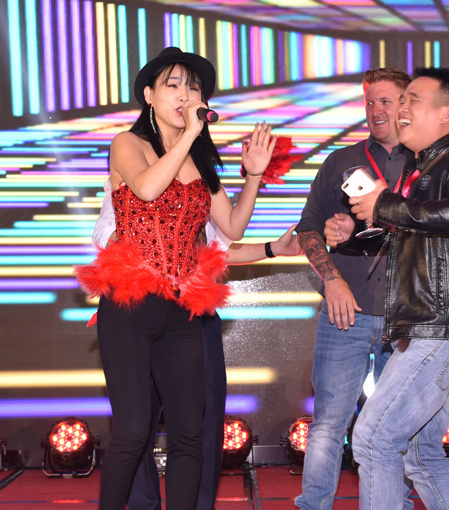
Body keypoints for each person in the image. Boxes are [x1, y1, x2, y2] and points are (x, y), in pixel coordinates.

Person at [74, 46, 275, 509]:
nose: (185, 94)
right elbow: (147, 188)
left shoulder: (199, 162)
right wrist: (190, 135)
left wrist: (254, 176)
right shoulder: (127, 143)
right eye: (173, 85)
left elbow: (232, 227)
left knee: (189, 435)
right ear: (149, 95)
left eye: (193, 87)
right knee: (132, 431)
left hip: (182, 308)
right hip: (129, 304)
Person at [332, 67, 449, 509]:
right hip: (434, 326)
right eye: (401, 100)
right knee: (421, 456)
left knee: (373, 440)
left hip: (439, 328)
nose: (401, 108)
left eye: (412, 100)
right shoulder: (423, 168)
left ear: (446, 113)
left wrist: (385, 204)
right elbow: (422, 240)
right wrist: (354, 233)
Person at [92, 180, 300, 510]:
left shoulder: (201, 179)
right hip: (136, 308)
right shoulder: (132, 171)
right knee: (134, 428)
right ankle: (143, 504)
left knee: (198, 427)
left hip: (193, 312)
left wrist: (272, 247)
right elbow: (105, 233)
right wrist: (157, 239)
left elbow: (221, 247)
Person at [293, 67, 415, 510]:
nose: (375, 110)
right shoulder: (340, 162)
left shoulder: (429, 163)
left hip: (408, 317)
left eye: (385, 101)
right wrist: (332, 279)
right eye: (369, 102)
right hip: (346, 312)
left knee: (397, 428)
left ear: (406, 105)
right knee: (328, 423)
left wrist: (362, 227)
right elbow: (307, 229)